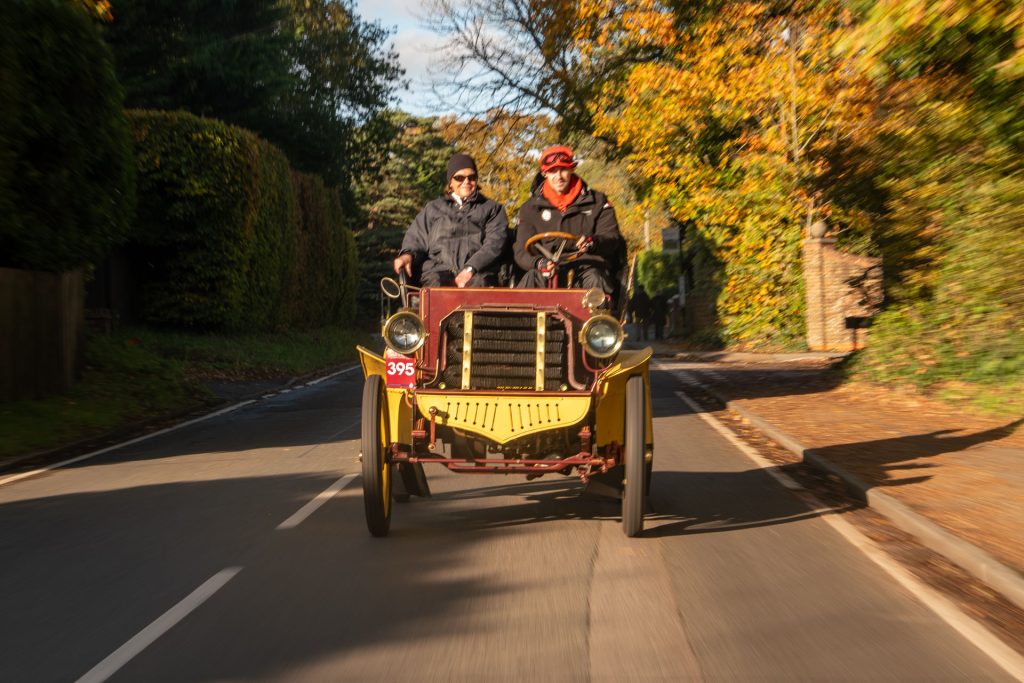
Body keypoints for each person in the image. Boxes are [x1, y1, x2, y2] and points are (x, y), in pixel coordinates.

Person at [514, 145, 625, 291]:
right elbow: (521, 251)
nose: (559, 176)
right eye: (553, 171)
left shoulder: (598, 201)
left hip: (587, 267)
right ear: (544, 173)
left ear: (572, 169)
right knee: (530, 280)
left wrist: (592, 242)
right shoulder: (529, 208)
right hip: (545, 271)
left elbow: (611, 238)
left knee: (595, 281)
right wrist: (539, 263)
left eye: (563, 169)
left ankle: (598, 306)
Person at [393, 153, 508, 287]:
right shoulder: (433, 208)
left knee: (479, 285)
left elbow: (495, 243)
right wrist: (407, 255)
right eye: (459, 178)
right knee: (434, 285)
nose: (466, 182)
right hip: (437, 270)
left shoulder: (493, 209)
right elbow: (416, 238)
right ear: (450, 182)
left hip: (478, 272)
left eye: (471, 177)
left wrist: (471, 268)